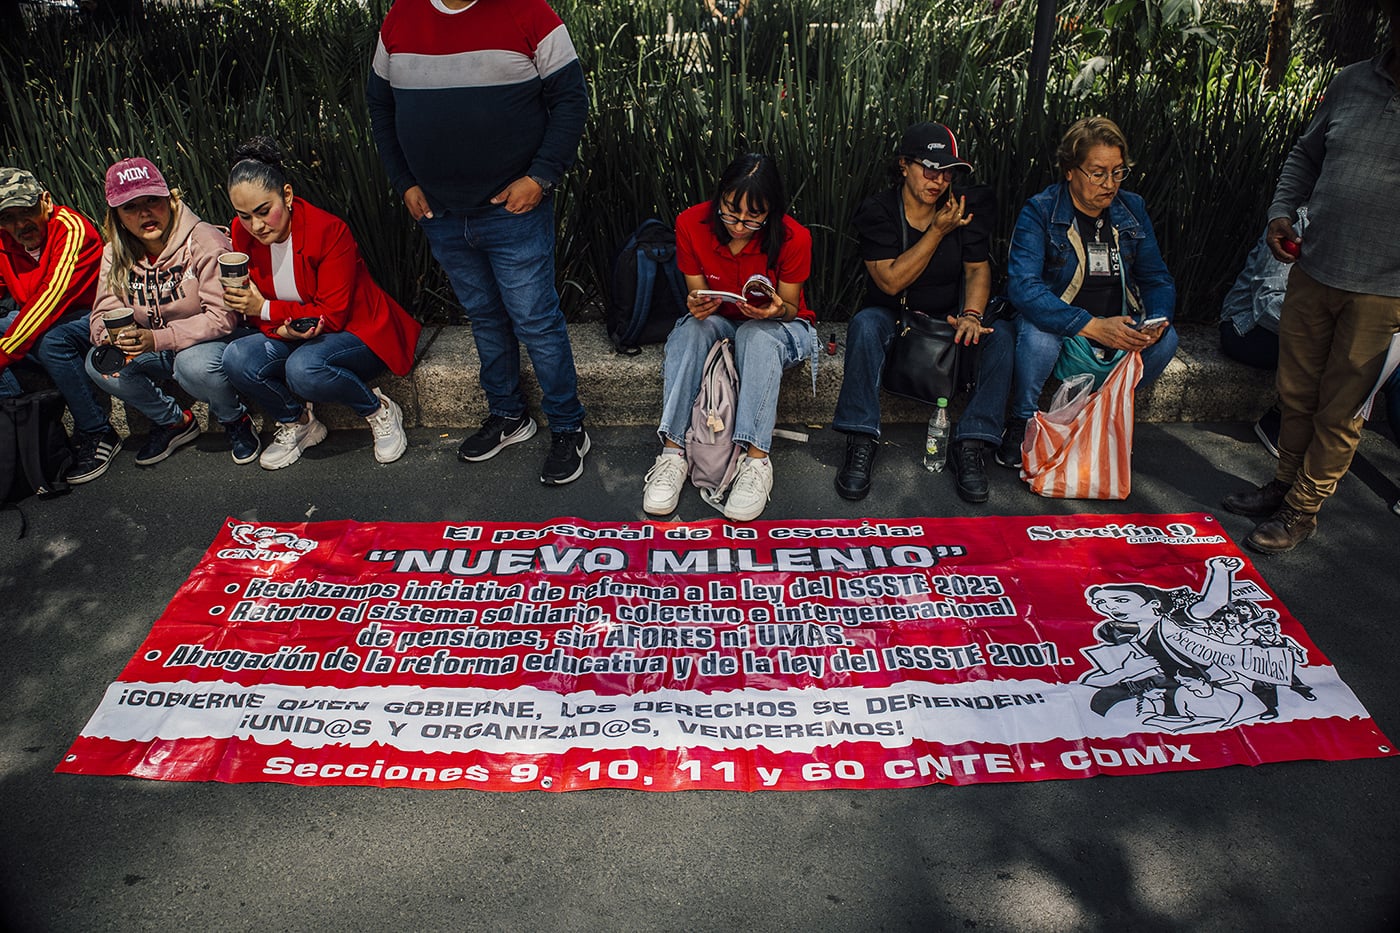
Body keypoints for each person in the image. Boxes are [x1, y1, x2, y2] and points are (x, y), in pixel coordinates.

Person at [367, 0, 591, 485]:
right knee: (484, 316)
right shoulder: (400, 17)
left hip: (515, 208)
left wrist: (541, 177)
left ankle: (570, 428)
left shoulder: (529, 12)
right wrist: (403, 180)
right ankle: (509, 416)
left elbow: (572, 99)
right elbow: (380, 107)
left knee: (535, 319)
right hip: (439, 211)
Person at [1223, 1, 1400, 553]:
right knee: (1295, 392)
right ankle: (1281, 485)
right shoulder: (1352, 82)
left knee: (1342, 408)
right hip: (1313, 267)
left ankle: (1302, 510)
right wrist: (1281, 211)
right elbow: (1305, 154)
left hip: (1384, 291)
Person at [831, 121, 1015, 504]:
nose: (939, 180)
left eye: (947, 171)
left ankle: (971, 444)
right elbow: (890, 281)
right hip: (898, 318)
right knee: (865, 325)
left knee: (1002, 339)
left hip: (951, 319)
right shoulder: (880, 210)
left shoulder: (964, 208)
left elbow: (977, 268)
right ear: (904, 165)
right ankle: (861, 439)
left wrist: (972, 315)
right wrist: (936, 232)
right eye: (929, 168)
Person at [219, 138, 420, 470]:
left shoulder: (329, 231)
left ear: (286, 194)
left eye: (263, 211)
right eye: (243, 216)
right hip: (292, 332)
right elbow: (253, 308)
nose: (255, 226)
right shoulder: (242, 236)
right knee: (237, 357)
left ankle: (378, 409)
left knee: (303, 369)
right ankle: (298, 422)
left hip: (356, 332)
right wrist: (273, 321)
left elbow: (333, 313)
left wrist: (266, 311)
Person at [641, 153, 815, 522]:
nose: (739, 225)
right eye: (730, 211)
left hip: (781, 328)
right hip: (721, 322)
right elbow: (698, 296)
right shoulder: (692, 222)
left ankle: (755, 460)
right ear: (718, 197)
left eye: (754, 217)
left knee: (757, 336)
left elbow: (791, 307)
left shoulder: (793, 237)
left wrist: (773, 311)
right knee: (693, 330)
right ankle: (672, 454)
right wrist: (697, 304)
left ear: (772, 210)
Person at [1005, 116, 1178, 469]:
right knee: (1037, 333)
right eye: (1097, 173)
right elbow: (1023, 287)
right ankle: (1021, 423)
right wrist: (1090, 325)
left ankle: (1100, 414)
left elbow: (1157, 277)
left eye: (1118, 172)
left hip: (1118, 326)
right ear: (1070, 170)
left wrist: (1156, 320)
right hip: (1068, 329)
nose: (1109, 184)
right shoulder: (1041, 210)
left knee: (1169, 339)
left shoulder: (1132, 208)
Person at [84, 157, 258, 467]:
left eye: (153, 201)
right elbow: (102, 312)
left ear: (170, 199)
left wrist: (158, 338)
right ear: (118, 216)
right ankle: (174, 421)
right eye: (131, 207)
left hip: (211, 344)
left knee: (193, 364)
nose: (145, 213)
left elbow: (223, 317)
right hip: (154, 345)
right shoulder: (114, 252)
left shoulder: (202, 239)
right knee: (98, 363)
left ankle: (235, 419)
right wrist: (110, 336)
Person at [0, 167, 120, 484]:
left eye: (26, 211)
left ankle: (98, 430)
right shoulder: (4, 239)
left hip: (92, 321)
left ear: (46, 200)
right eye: (7, 218)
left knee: (51, 339)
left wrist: (3, 353)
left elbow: (50, 299)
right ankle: (16, 424)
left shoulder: (71, 229)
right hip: (44, 319)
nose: (19, 225)